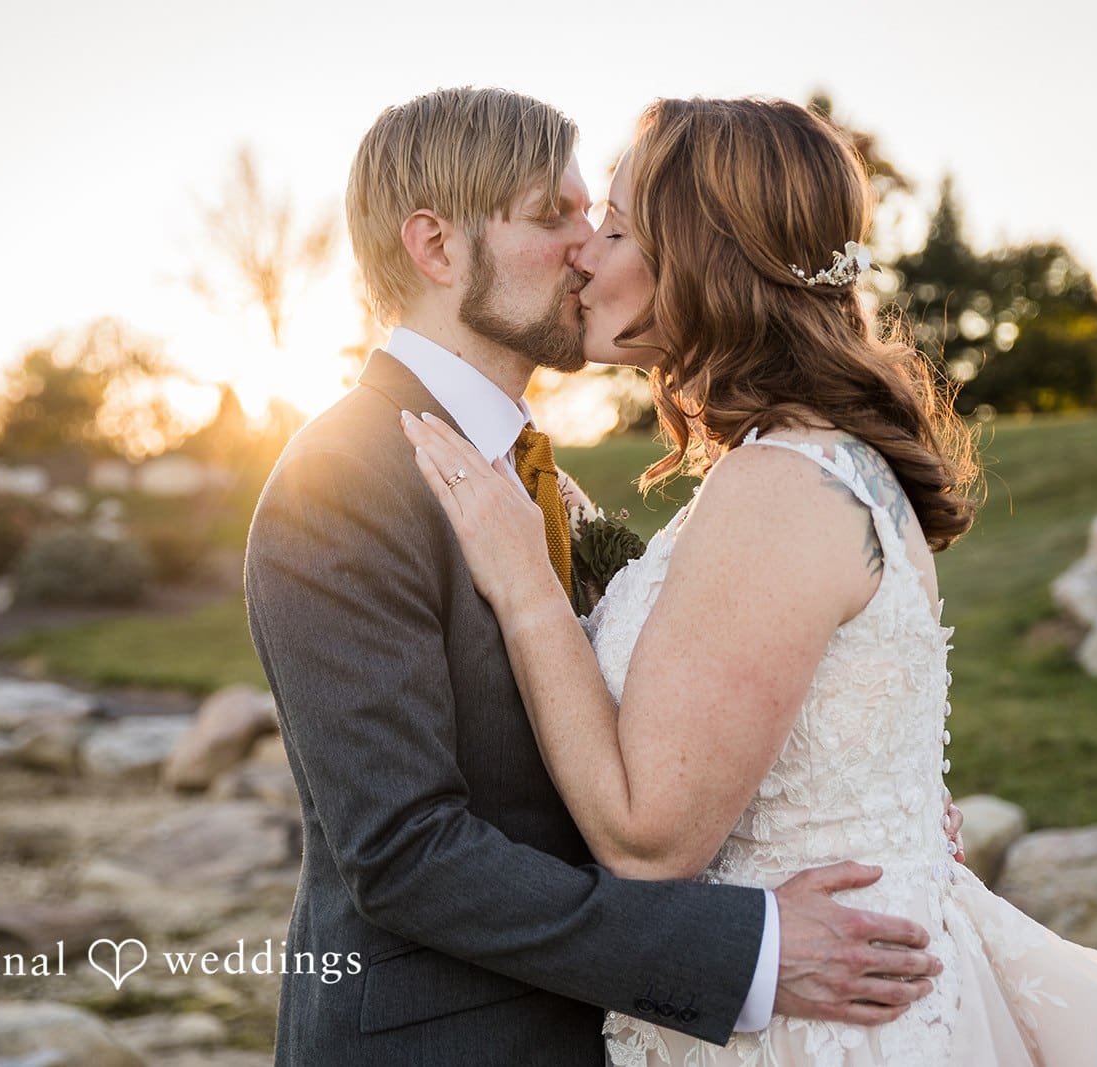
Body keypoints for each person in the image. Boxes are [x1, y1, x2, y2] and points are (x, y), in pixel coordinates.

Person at [400, 96, 1097, 1065]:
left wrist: (525, 585)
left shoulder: (780, 484)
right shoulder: (821, 463)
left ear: (694, 259)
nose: (582, 251)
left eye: (613, 228)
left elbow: (648, 838)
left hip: (808, 1028)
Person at [244, 87, 962, 1067]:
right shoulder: (345, 480)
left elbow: (669, 731)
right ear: (437, 247)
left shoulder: (538, 473)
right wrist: (739, 950)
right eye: (556, 216)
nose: (588, 247)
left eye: (600, 218)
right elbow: (402, 853)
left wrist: (874, 804)